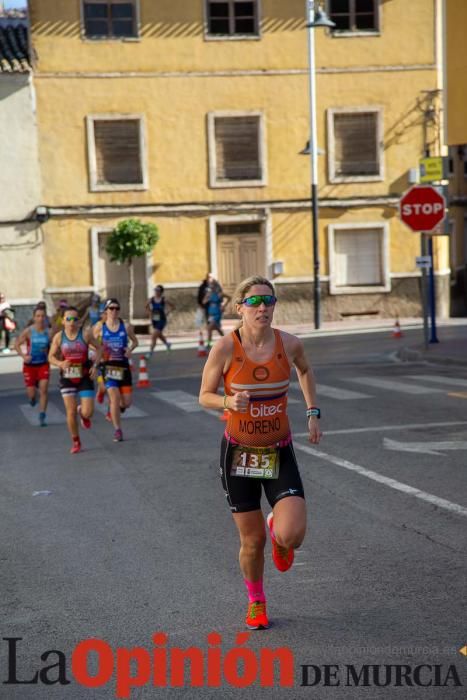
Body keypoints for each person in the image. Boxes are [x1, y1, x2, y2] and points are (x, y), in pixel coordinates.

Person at [199, 275, 321, 630]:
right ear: (240, 308)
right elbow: (203, 395)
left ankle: (277, 526)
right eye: (254, 302)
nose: (263, 308)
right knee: (252, 541)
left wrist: (312, 411)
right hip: (239, 454)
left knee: (291, 535)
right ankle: (256, 600)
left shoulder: (291, 344)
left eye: (269, 301)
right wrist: (226, 400)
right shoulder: (224, 348)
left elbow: (306, 370)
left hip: (278, 450)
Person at [48, 306, 102, 454]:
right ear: (63, 321)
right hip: (67, 377)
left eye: (75, 319)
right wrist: (60, 363)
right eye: (68, 319)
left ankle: (82, 413)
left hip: (84, 375)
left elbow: (100, 348)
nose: (72, 322)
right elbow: (50, 356)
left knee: (88, 412)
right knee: (70, 412)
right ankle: (76, 441)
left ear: (79, 322)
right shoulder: (59, 337)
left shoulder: (85, 335)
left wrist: (95, 365)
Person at [93, 298, 138, 442]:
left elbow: (135, 341)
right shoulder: (99, 327)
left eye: (116, 308)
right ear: (106, 310)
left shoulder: (126, 327)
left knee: (126, 403)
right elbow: (90, 342)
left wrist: (129, 349)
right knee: (114, 397)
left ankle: (115, 408)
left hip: (123, 367)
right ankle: (118, 430)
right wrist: (98, 352)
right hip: (107, 367)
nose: (114, 311)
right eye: (111, 308)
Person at [14, 306, 52, 427]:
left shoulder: (48, 332)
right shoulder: (29, 331)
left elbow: (52, 347)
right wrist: (24, 356)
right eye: (38, 316)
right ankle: (32, 398)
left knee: (44, 390)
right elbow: (17, 344)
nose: (40, 318)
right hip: (30, 366)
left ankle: (42, 415)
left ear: (45, 318)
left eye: (42, 316)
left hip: (43, 364)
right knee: (31, 393)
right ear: (34, 318)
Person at [146, 285, 174, 357]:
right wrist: (150, 313)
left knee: (154, 335)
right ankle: (167, 344)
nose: (156, 292)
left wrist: (167, 312)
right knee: (159, 335)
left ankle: (150, 352)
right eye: (155, 290)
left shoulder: (164, 299)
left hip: (162, 320)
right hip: (154, 320)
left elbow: (173, 306)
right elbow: (146, 306)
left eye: (158, 291)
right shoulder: (151, 299)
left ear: (161, 292)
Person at [203, 276, 230, 347]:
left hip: (217, 312)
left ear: (215, 285)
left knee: (209, 328)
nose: (211, 286)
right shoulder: (209, 293)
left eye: (212, 284)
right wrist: (207, 297)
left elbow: (229, 297)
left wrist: (224, 305)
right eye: (210, 285)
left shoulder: (220, 294)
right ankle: (227, 340)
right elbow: (204, 302)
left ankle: (208, 343)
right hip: (211, 313)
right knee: (216, 328)